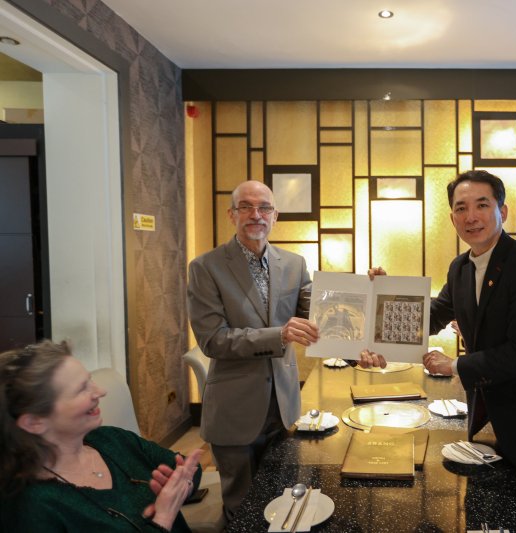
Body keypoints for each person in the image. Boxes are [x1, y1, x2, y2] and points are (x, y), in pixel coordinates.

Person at [361, 169, 516, 519]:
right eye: (461, 208)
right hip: (490, 417)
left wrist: (454, 365)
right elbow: (432, 316)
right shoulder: (460, 268)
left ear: (503, 211)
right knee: (490, 514)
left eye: (482, 205)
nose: (471, 216)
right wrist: (386, 296)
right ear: (452, 218)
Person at [187, 180, 319, 521]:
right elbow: (213, 340)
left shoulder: (294, 264)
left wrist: (368, 288)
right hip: (235, 410)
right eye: (245, 206)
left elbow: (320, 315)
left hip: (284, 406)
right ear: (232, 214)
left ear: (275, 216)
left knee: (284, 504)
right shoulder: (206, 267)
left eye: (264, 208)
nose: (256, 214)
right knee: (242, 510)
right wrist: (279, 335)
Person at [0, 340, 202, 532]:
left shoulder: (111, 439)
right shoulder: (31, 506)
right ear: (34, 422)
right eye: (81, 389)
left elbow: (189, 468)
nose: (101, 391)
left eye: (90, 380)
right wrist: (163, 518)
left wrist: (181, 486)